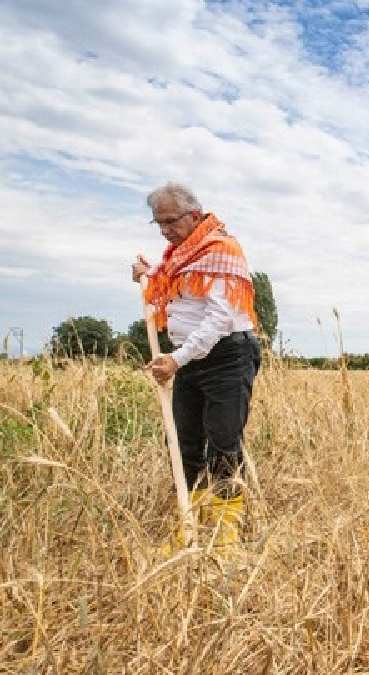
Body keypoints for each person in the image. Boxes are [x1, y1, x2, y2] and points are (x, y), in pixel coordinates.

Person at [131, 182, 261, 549]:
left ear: (193, 214)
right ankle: (190, 523)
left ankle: (225, 534)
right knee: (185, 443)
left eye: (170, 221)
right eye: (158, 224)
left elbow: (219, 317)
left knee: (222, 442)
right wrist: (147, 274)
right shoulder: (179, 255)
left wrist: (176, 359)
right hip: (187, 358)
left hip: (227, 357)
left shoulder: (222, 250)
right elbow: (172, 287)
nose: (165, 230)